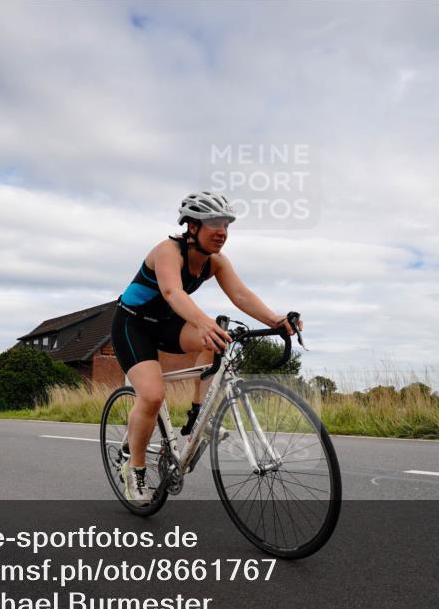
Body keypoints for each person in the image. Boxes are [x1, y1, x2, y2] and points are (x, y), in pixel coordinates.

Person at [111, 191, 301, 505]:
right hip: (133, 324)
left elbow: (241, 295)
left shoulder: (215, 262)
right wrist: (201, 321)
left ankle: (199, 418)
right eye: (214, 223)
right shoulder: (168, 251)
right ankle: (134, 468)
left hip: (167, 323)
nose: (222, 231)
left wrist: (275, 319)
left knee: (217, 338)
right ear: (192, 227)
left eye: (226, 224)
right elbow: (172, 291)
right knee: (153, 394)